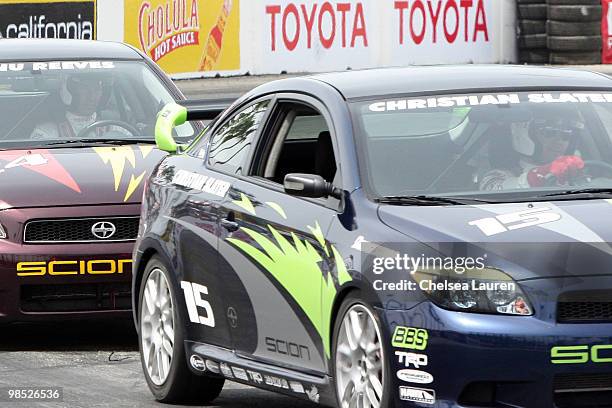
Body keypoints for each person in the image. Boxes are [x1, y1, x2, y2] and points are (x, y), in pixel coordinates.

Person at [480, 113, 585, 191]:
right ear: (523, 134)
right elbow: (503, 192)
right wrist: (544, 173)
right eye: (549, 133)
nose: (559, 141)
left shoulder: (579, 172)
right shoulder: (495, 176)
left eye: (566, 136)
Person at [30, 73, 131, 140]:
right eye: (85, 89)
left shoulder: (117, 130)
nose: (92, 97)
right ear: (69, 92)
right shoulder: (46, 134)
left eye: (96, 90)